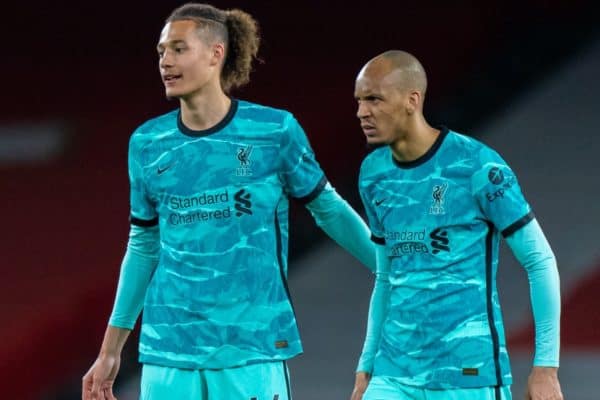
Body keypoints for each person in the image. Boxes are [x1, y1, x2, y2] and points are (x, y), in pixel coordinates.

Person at [81, 3, 376, 400]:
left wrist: (391, 270)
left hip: (250, 348)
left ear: (216, 54)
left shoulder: (273, 131)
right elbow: (143, 245)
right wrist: (110, 351)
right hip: (167, 352)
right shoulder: (147, 144)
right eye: (161, 52)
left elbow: (329, 208)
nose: (165, 61)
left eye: (179, 49)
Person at [350, 50, 562, 400]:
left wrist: (546, 368)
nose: (362, 112)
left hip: (468, 375)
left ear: (411, 100)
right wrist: (366, 365)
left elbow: (540, 261)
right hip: (394, 375)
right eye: (358, 100)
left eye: (374, 99)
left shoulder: (479, 167)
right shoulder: (373, 174)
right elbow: (386, 277)